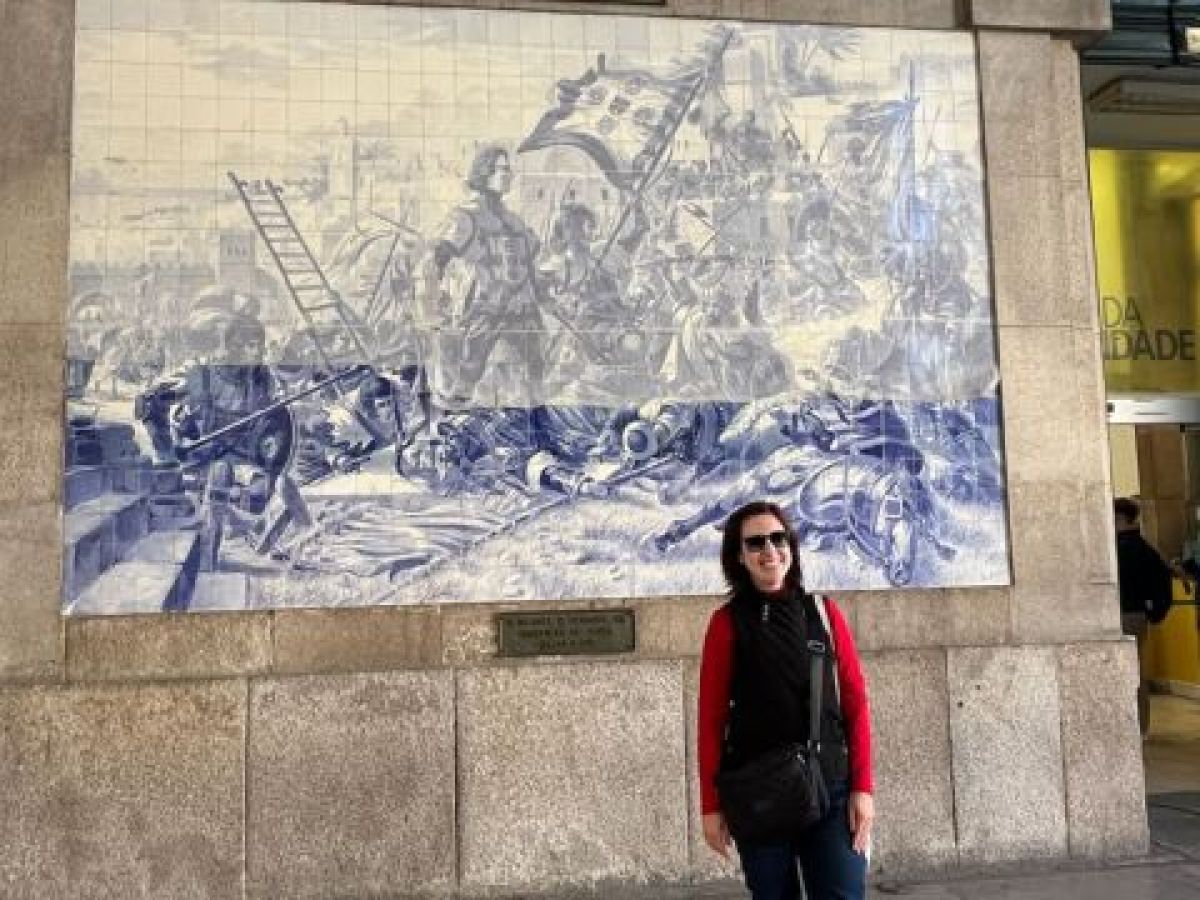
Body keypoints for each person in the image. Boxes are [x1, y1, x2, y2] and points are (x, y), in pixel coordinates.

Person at [697, 500, 874, 900]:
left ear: (791, 546)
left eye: (778, 539)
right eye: (755, 542)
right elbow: (710, 721)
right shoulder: (726, 623)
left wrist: (863, 788)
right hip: (758, 791)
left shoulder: (824, 613)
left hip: (830, 787)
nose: (769, 551)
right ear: (739, 556)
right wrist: (711, 806)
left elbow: (856, 705)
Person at [1114, 496, 1173, 736]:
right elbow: (1162, 579)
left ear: (1120, 518)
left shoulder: (1119, 550)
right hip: (1138, 615)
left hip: (1124, 615)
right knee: (1135, 671)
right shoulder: (1145, 548)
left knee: (1123, 673)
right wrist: (1153, 612)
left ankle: (1130, 725)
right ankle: (1140, 726)